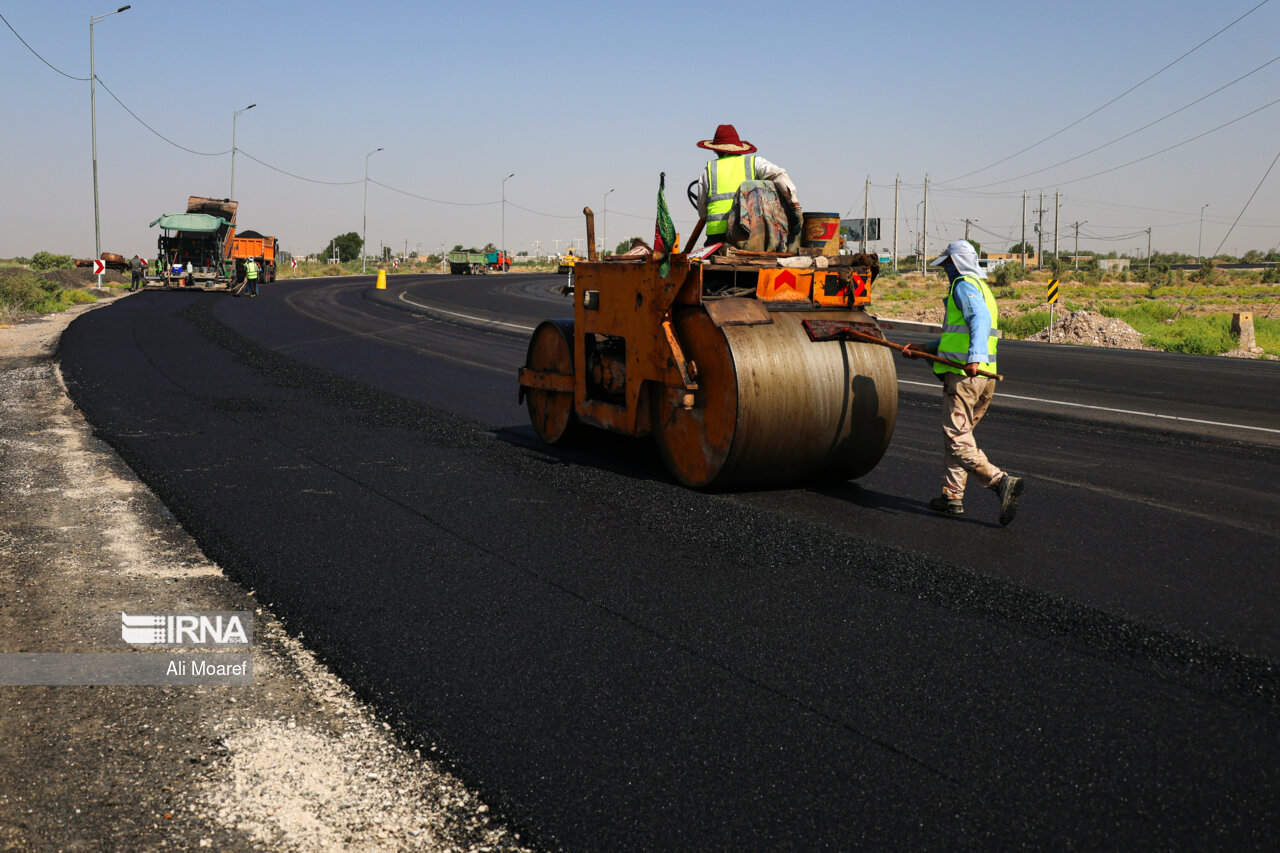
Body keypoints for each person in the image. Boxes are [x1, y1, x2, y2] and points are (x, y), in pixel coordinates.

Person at [901, 239, 1024, 525]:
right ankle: (952, 497)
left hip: (966, 377)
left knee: (957, 440)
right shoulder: (984, 289)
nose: (945, 271)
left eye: (947, 265)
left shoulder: (964, 285)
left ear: (957, 263)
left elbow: (978, 318)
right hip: (984, 378)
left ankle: (1000, 481)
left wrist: (974, 357)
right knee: (961, 436)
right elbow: (959, 335)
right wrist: (925, 349)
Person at [694, 124, 800, 247]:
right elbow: (779, 175)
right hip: (748, 234)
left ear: (715, 149)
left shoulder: (708, 170)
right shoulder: (754, 163)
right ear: (739, 149)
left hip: (716, 238)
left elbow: (702, 209)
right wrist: (794, 203)